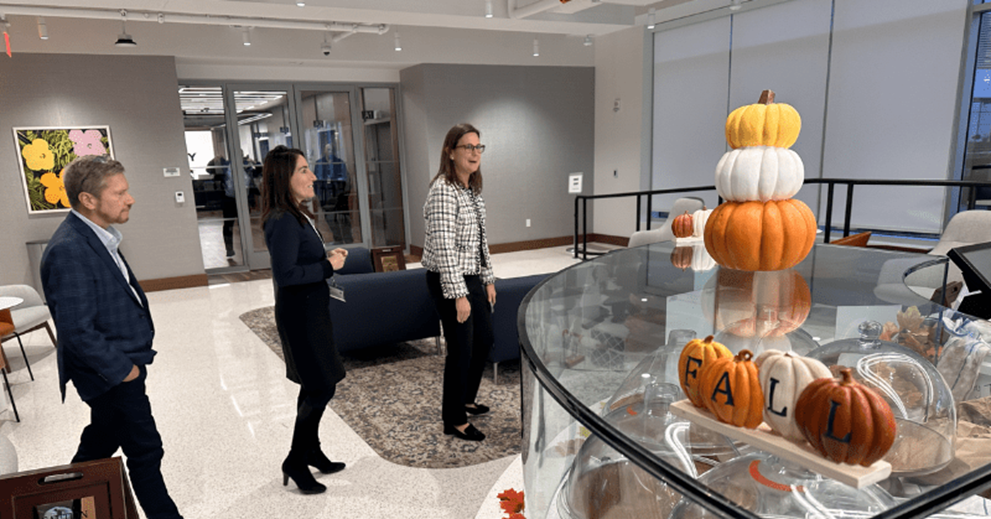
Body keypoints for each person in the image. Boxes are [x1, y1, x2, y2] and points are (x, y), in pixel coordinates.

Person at [40, 155, 183, 519]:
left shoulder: (99, 237)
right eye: (120, 193)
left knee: (99, 443)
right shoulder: (69, 249)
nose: (130, 198)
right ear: (88, 200)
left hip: (122, 363)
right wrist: (125, 371)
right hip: (110, 373)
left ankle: (60, 510)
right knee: (146, 450)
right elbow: (76, 332)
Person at [261, 145, 349, 494]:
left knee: (314, 385)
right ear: (285, 177)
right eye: (303, 170)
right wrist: (328, 266)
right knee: (321, 385)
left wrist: (324, 257)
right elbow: (286, 275)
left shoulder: (294, 214)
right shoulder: (282, 219)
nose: (312, 176)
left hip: (311, 311)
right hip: (300, 316)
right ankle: (296, 460)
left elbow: (297, 261)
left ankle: (310, 451)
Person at [422, 123, 496, 442]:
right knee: (461, 349)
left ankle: (466, 398)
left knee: (484, 339)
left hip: (472, 276)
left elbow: (481, 241)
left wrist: (488, 278)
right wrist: (458, 295)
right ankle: (453, 418)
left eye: (478, 147)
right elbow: (444, 246)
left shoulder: (471, 190)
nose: (474, 153)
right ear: (450, 152)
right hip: (447, 279)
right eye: (468, 147)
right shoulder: (442, 189)